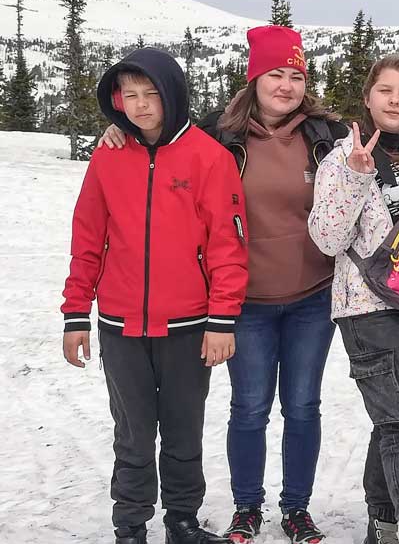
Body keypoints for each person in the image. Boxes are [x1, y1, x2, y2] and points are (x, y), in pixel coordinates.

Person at [99, 26, 347, 544]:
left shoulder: (327, 135)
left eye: (296, 75)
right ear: (254, 78)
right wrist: (118, 129)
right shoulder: (218, 133)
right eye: (275, 74)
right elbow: (162, 140)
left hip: (311, 296)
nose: (286, 85)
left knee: (303, 406)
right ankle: (247, 507)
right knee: (250, 407)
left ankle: (297, 509)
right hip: (244, 301)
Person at [62, 48, 248, 544]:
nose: (141, 105)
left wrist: (222, 320)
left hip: (188, 326)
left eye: (151, 94)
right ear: (117, 100)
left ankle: (182, 521)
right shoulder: (109, 154)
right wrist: (76, 313)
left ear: (172, 95)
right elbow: (87, 237)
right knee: (133, 434)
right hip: (120, 325)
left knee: (184, 430)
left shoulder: (209, 157)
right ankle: (130, 526)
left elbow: (228, 245)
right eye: (130, 95)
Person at [308, 54, 399, 544]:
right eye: (385, 90)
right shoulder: (341, 158)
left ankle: (383, 522)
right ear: (367, 98)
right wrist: (355, 176)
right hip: (369, 306)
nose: (394, 100)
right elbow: (327, 239)